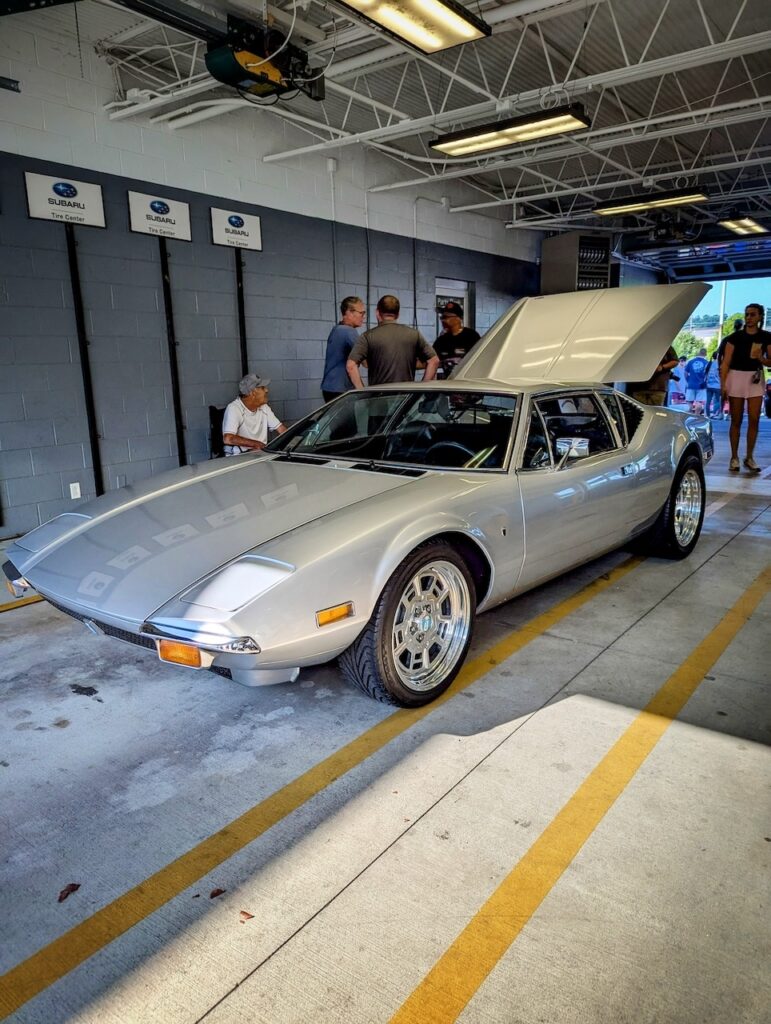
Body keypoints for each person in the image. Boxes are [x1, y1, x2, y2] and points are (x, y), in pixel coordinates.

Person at [347, 294, 440, 388]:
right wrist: (422, 387)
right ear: (398, 315)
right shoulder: (414, 334)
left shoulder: (367, 336)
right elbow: (434, 361)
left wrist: (362, 391)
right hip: (406, 395)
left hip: (378, 395)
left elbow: (351, 366)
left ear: (377, 313)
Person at [720, 303, 771, 473]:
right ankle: (734, 457)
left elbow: (770, 361)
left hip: (755, 377)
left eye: (753, 314)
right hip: (736, 376)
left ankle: (749, 457)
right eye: (747, 314)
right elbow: (725, 363)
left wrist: (761, 359)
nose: (749, 317)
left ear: (760, 317)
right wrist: (723, 384)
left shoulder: (766, 337)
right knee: (736, 419)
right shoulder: (734, 338)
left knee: (754, 419)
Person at [222, 374, 286, 455]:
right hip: (239, 457)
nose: (266, 390)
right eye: (263, 388)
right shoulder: (234, 408)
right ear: (253, 392)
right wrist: (257, 445)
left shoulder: (264, 407)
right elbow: (228, 438)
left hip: (260, 454)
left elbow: (282, 430)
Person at [321, 296, 366, 403]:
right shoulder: (349, 331)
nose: (363, 317)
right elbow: (366, 362)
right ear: (349, 312)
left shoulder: (336, 329)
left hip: (329, 387)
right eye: (361, 313)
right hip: (340, 389)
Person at [433, 301, 480, 377]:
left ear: (458, 319)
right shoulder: (442, 340)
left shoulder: (471, 336)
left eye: (446, 317)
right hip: (450, 382)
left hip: (468, 380)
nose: (443, 320)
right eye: (442, 317)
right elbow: (431, 360)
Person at [684, 347, 709, 414]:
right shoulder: (707, 363)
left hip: (691, 384)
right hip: (701, 385)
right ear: (705, 354)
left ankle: (690, 413)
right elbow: (708, 375)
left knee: (689, 401)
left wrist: (688, 380)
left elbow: (685, 373)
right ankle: (697, 416)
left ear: (699, 353)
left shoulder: (690, 362)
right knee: (699, 402)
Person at [705, 352, 722, 418]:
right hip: (717, 385)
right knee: (718, 401)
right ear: (718, 356)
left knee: (708, 401)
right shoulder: (719, 364)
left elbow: (705, 374)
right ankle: (715, 414)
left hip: (709, 385)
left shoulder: (709, 363)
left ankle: (708, 415)